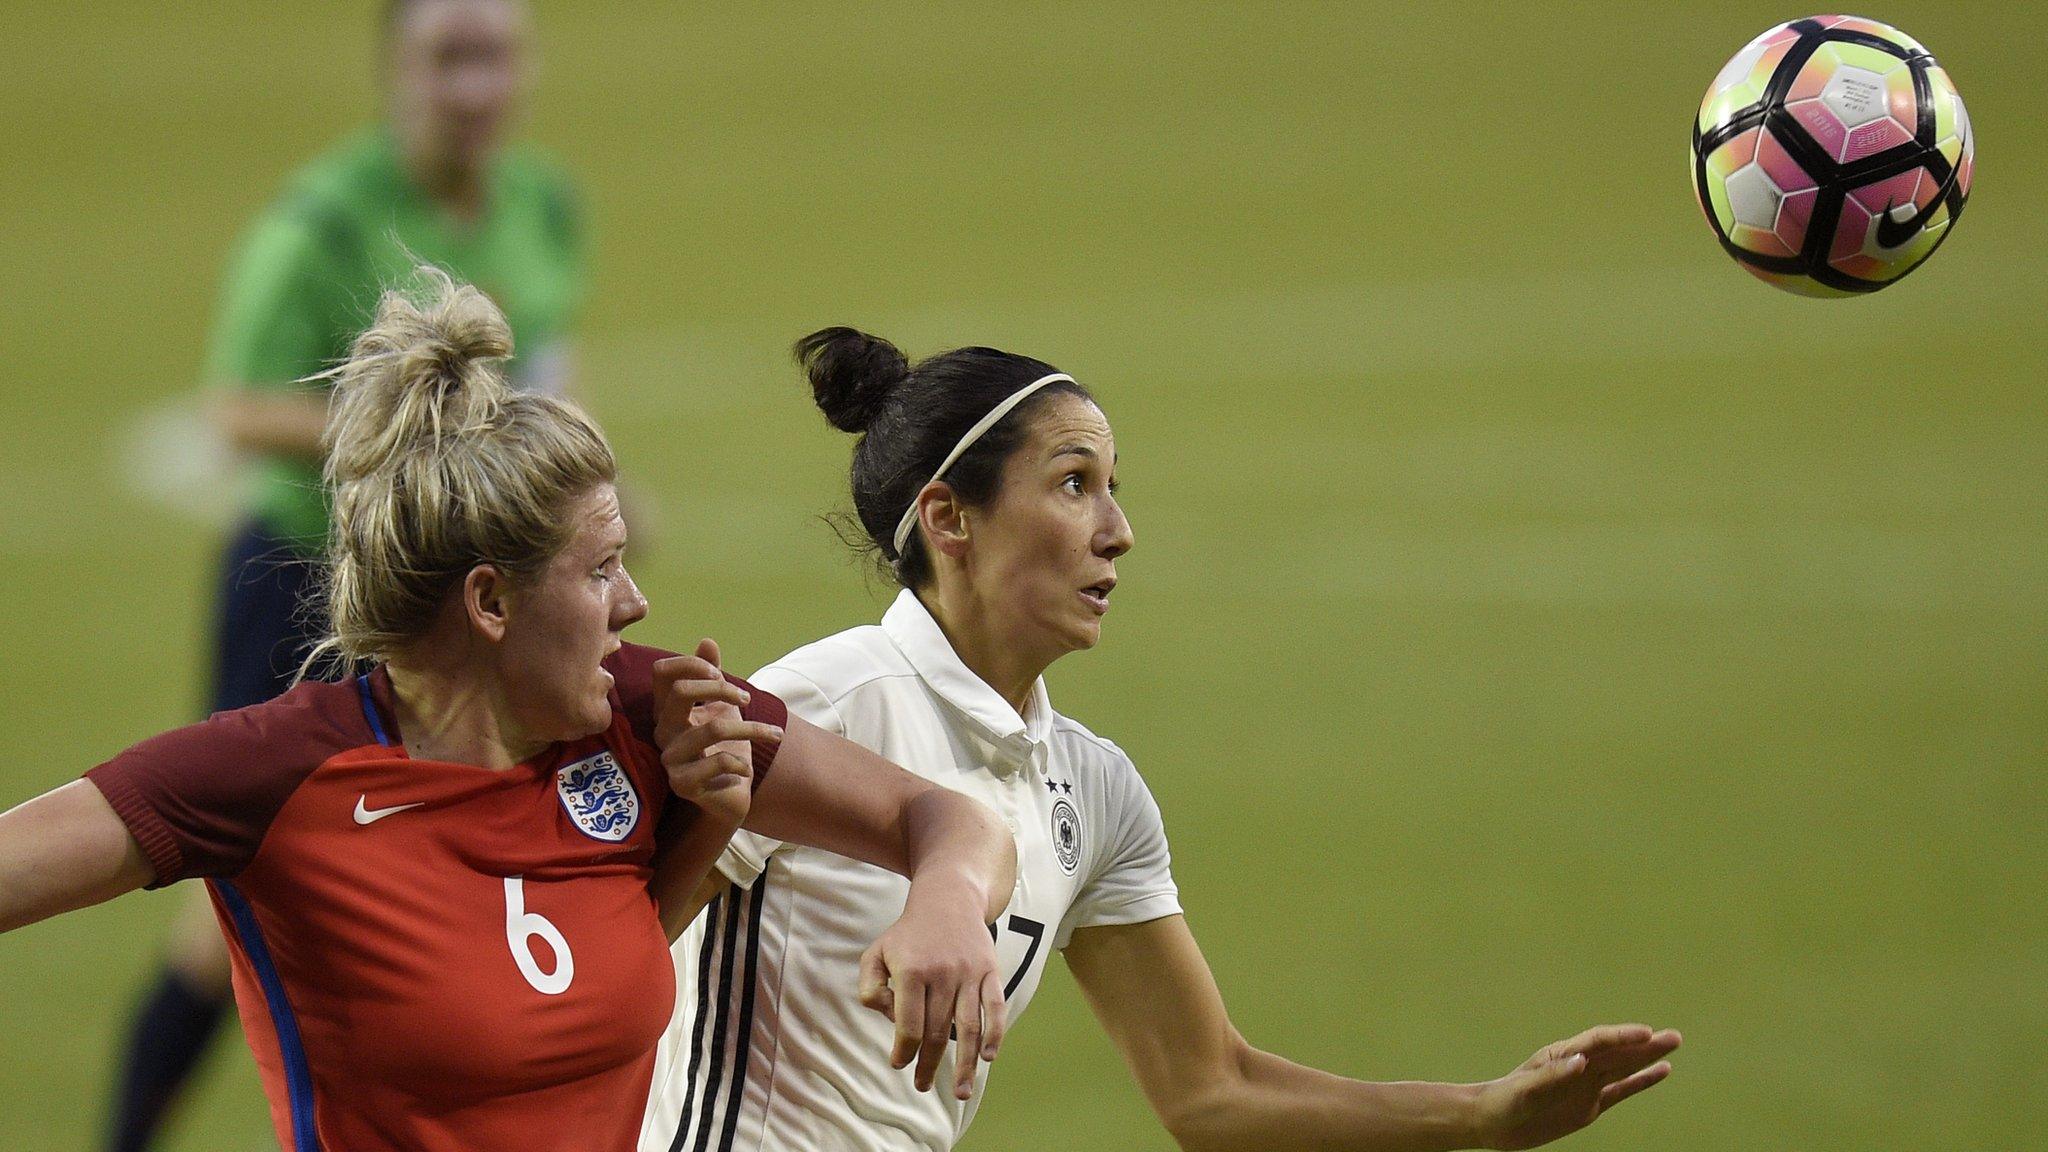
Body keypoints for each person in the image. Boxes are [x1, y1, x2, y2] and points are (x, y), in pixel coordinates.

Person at [0, 278, 1016, 1152]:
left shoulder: (647, 717)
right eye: (602, 570)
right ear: (490, 602)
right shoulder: (275, 774)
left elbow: (951, 822)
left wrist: (939, 902)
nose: (636, 604)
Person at [644, 329, 1681, 1152]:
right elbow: (622, 943)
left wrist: (1481, 1118)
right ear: (949, 519)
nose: (1115, 529)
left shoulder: (1091, 793)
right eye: (1071, 483)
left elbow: (1210, 1092)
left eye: (1112, 488)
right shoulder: (824, 706)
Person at [111, 3, 591, 1146]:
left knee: (465, 857)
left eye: (494, 55)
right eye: (445, 58)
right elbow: (235, 404)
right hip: (306, 587)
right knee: (231, 900)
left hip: (471, 597)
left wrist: (577, 505)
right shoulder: (321, 221)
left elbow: (553, 375)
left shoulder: (546, 203)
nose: (473, 86)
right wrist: (412, 437)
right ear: (395, 72)